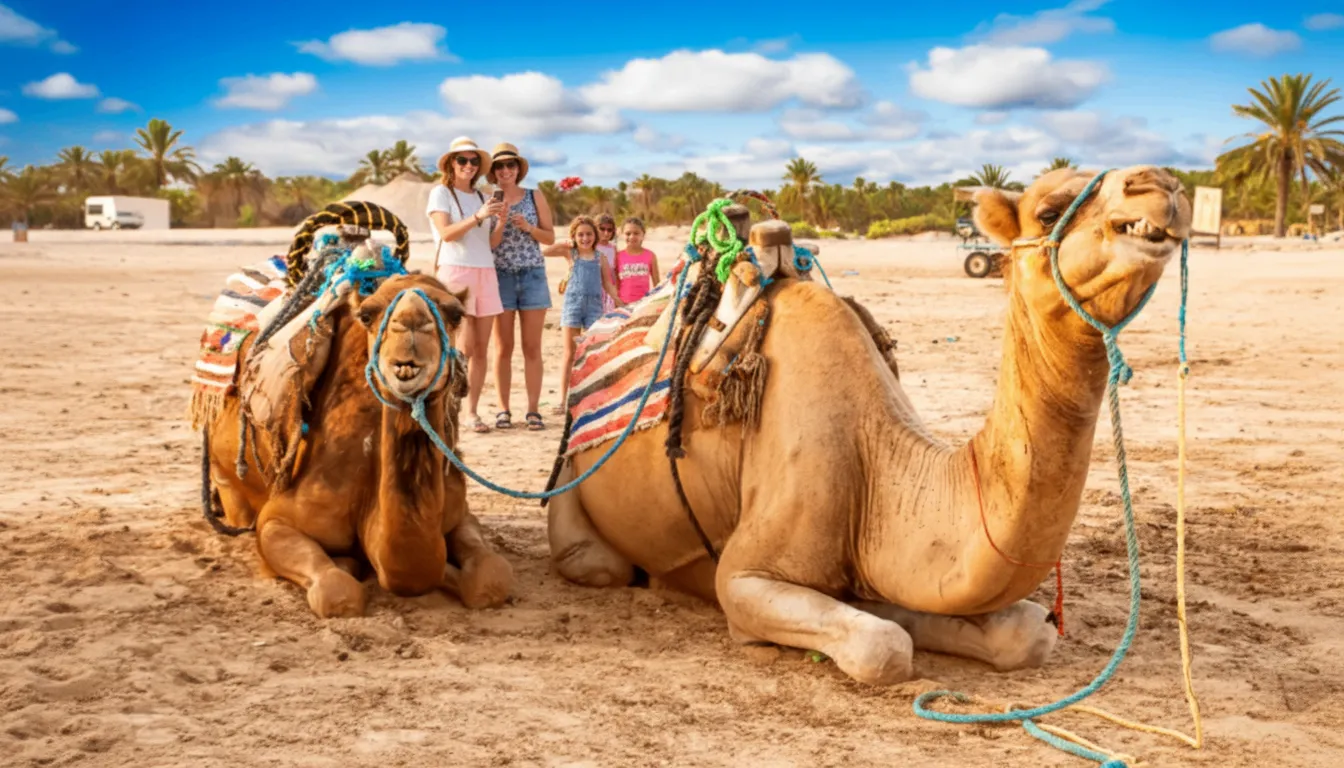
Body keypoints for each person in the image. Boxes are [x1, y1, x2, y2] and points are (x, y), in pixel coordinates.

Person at [426, 136, 505, 434]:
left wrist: (500, 222)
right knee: (458, 347)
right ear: (451, 163)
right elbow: (446, 233)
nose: (469, 166)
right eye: (462, 160)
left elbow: (491, 243)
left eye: (474, 161)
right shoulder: (440, 193)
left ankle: (471, 412)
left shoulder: (484, 197)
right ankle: (446, 406)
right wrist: (477, 216)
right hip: (455, 272)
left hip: (486, 271)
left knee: (481, 349)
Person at [486, 142, 556, 431]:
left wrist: (529, 228)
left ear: (518, 169)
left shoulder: (534, 195)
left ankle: (532, 410)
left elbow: (550, 237)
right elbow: (490, 244)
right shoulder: (488, 200)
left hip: (532, 275)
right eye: (500, 166)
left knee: (532, 347)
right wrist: (501, 223)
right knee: (503, 348)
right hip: (500, 275)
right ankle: (503, 410)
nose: (505, 171)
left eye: (510, 165)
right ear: (494, 172)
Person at [542, 215, 624, 414]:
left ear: (595, 236)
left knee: (592, 353)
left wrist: (619, 301)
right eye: (580, 235)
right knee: (569, 354)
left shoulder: (600, 258)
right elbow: (545, 251)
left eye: (588, 234)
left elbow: (608, 284)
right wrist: (566, 242)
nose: (585, 238)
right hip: (573, 306)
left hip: (594, 308)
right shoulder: (571, 254)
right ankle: (563, 400)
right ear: (574, 236)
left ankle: (592, 398)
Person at [615, 216, 659, 304]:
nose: (632, 237)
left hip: (644, 304)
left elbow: (657, 284)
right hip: (623, 304)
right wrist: (617, 303)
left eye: (636, 233)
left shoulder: (650, 255)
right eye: (628, 233)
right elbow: (616, 283)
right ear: (622, 235)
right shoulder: (618, 256)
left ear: (643, 235)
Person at [595, 213, 619, 314]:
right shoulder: (592, 246)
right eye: (602, 228)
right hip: (595, 286)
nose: (606, 233)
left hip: (609, 288)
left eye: (609, 230)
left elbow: (615, 270)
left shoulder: (613, 248)